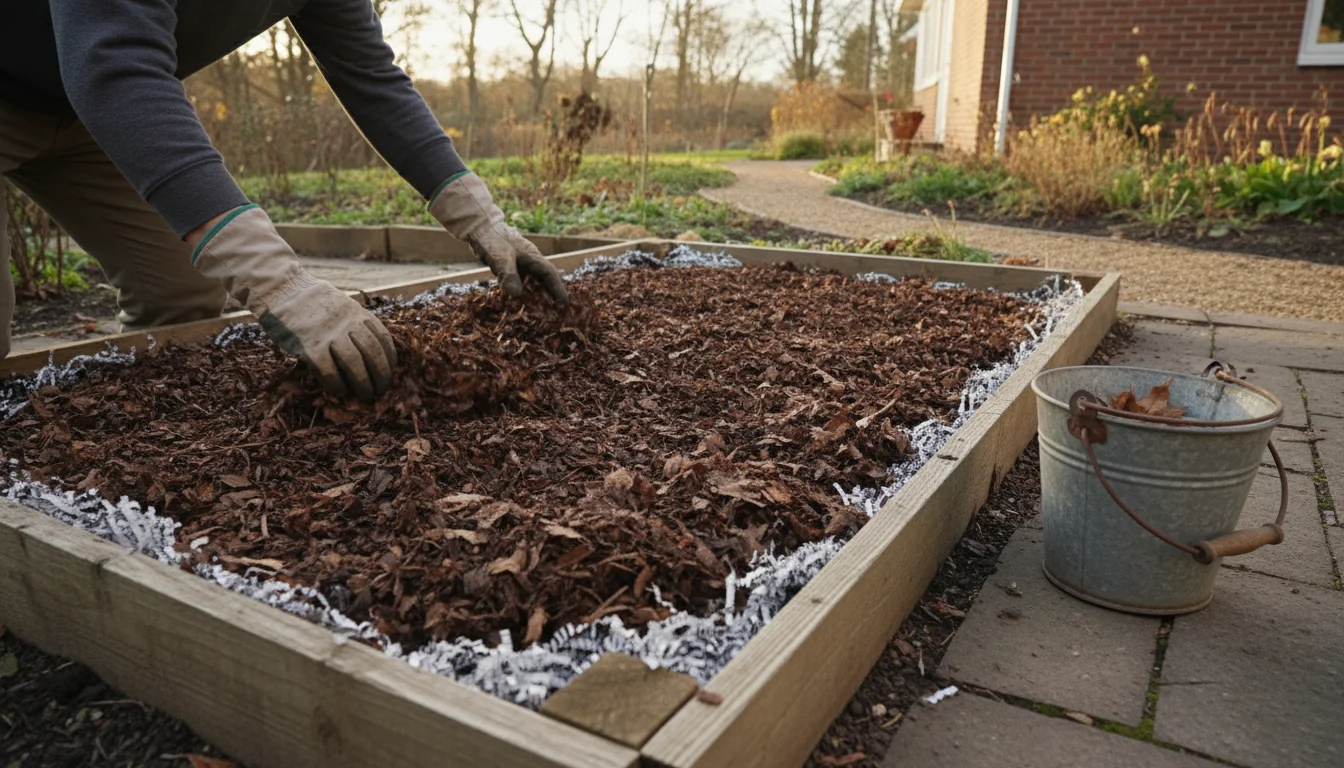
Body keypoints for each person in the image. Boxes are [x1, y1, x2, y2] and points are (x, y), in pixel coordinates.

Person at [0, 0, 569, 401]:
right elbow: (116, 64)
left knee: (180, 293)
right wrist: (276, 281)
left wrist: (483, 221)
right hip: (92, 87)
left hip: (87, 116)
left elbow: (373, 77)